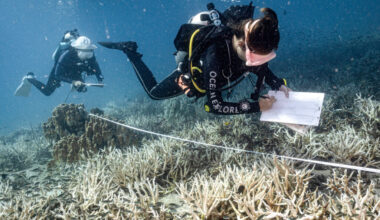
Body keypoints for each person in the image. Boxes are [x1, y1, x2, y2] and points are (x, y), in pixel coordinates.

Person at [99, 4, 290, 115]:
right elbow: (214, 106)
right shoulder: (214, 56)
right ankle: (130, 51)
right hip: (197, 74)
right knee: (154, 93)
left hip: (223, 67)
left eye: (265, 56)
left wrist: (278, 84)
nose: (258, 63)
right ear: (241, 44)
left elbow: (261, 68)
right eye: (256, 57)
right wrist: (257, 106)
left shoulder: (254, 43)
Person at [15, 34, 104, 97]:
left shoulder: (89, 53)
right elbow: (57, 75)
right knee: (47, 91)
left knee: (82, 89)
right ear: (77, 49)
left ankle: (76, 85)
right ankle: (29, 78)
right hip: (62, 70)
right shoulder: (66, 55)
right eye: (86, 54)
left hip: (76, 69)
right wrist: (73, 82)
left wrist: (100, 79)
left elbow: (95, 65)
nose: (88, 56)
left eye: (90, 52)